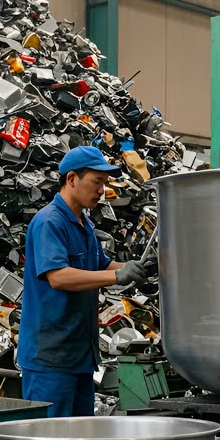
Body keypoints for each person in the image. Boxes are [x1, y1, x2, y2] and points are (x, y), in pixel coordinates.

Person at [17, 146, 148, 416]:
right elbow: (59, 277)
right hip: (50, 360)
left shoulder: (83, 223)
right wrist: (116, 275)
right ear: (72, 179)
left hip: (79, 356)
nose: (101, 190)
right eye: (96, 182)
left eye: (104, 183)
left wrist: (137, 268)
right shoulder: (49, 222)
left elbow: (100, 266)